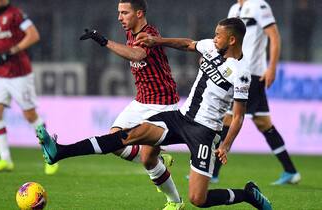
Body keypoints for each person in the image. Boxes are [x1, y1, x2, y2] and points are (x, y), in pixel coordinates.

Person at [36, 18, 273, 209]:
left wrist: (226, 145)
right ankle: (61, 152)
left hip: (205, 132)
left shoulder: (241, 74)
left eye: (218, 35)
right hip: (181, 118)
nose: (213, 38)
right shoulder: (211, 47)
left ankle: (248, 195)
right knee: (126, 136)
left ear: (232, 40)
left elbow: (239, 116)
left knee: (198, 199)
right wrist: (156, 41)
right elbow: (187, 44)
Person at [79, 0, 183, 209]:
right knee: (113, 141)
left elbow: (138, 54)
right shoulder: (130, 32)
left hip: (162, 103)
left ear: (139, 13)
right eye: (119, 13)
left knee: (147, 161)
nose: (120, 18)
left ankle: (175, 202)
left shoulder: (148, 33)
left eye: (124, 13)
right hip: (142, 100)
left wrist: (103, 41)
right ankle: (160, 159)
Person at [211, 0, 301, 185]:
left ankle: (212, 172)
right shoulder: (234, 9)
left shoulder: (259, 6)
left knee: (228, 118)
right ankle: (291, 171)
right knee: (263, 122)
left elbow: (274, 36)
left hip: (251, 72)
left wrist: (272, 68)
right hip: (236, 70)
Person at [0, 0, 59, 175]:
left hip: (20, 73)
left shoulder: (16, 14)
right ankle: (5, 159)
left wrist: (11, 51)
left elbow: (33, 35)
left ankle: (51, 156)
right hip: (0, 74)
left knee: (30, 115)